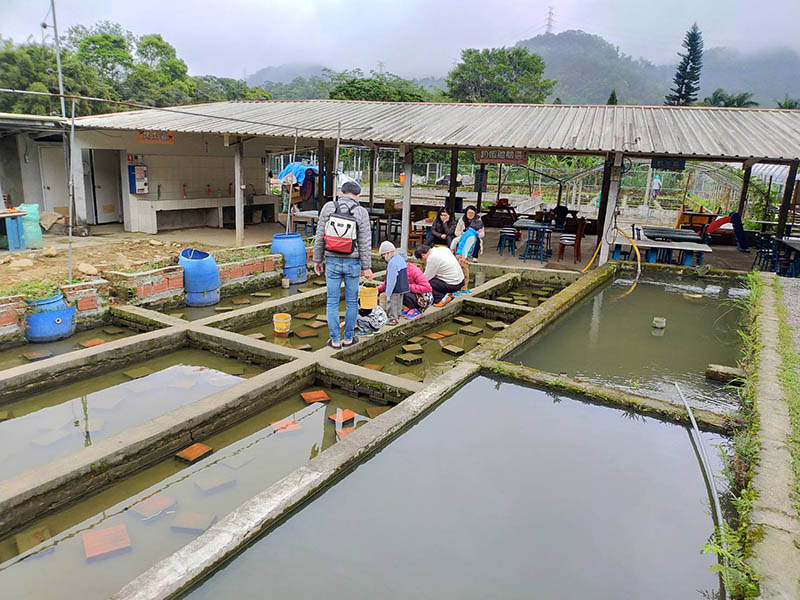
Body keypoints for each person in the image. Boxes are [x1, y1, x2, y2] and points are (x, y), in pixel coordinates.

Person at [313, 181, 373, 348]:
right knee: (352, 302)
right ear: (358, 195)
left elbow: (320, 235)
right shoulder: (361, 212)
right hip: (352, 262)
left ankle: (334, 340)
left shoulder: (328, 207)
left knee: (332, 301)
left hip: (331, 260)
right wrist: (367, 267)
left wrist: (317, 259)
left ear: (341, 192)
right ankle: (348, 338)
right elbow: (365, 242)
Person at [377, 241, 409, 325]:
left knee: (392, 303)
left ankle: (393, 319)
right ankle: (398, 316)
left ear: (388, 253)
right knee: (399, 303)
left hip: (396, 287)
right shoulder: (401, 259)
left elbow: (392, 279)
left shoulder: (392, 263)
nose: (384, 257)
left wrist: (388, 292)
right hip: (403, 285)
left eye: (383, 255)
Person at [453, 226, 478, 296]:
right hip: (462, 256)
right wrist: (464, 258)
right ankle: (457, 290)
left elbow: (455, 241)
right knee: (463, 274)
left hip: (459, 254)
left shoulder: (466, 233)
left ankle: (462, 289)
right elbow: (466, 248)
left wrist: (452, 250)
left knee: (461, 273)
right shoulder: (472, 236)